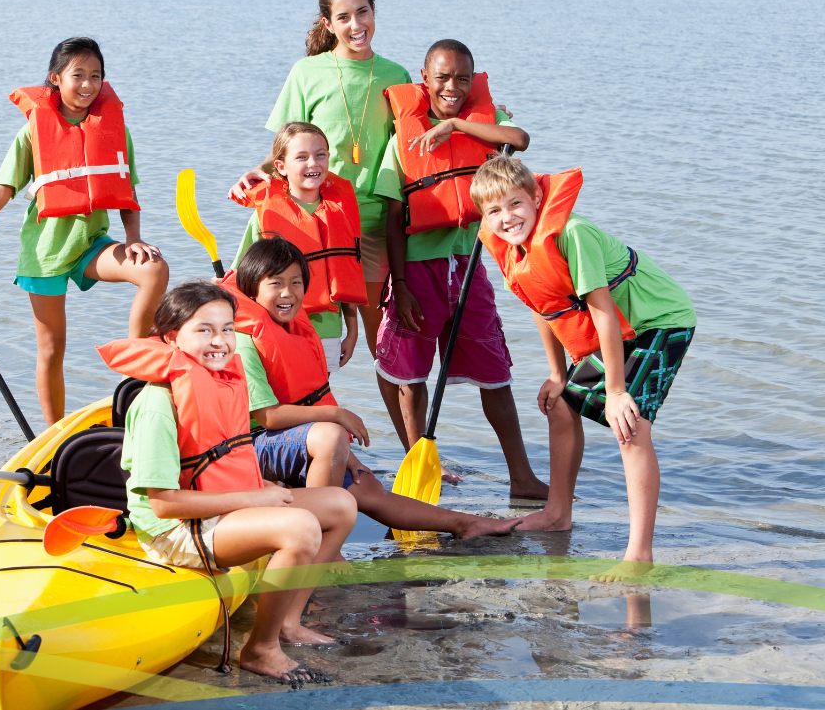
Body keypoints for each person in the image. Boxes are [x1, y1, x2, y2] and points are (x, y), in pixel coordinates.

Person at [98, 282, 356, 681]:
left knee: (341, 505)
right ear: (171, 337)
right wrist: (255, 499)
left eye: (228, 329)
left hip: (220, 508)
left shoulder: (222, 383)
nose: (219, 341)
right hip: (175, 531)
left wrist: (261, 492)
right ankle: (260, 649)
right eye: (204, 330)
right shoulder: (157, 404)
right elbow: (164, 504)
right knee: (300, 527)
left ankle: (287, 622)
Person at [470, 157, 697, 579]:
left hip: (658, 320)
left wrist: (615, 392)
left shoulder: (572, 234)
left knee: (629, 424)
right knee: (562, 405)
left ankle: (639, 555)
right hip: (620, 330)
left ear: (537, 197)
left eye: (515, 204)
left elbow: (604, 313)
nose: (507, 218)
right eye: (494, 211)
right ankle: (557, 514)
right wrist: (558, 375)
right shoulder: (510, 246)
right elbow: (543, 307)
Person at [0, 37, 168, 427]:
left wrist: (133, 239)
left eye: (95, 76)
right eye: (78, 75)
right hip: (45, 254)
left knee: (154, 270)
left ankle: (136, 371)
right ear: (55, 79)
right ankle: (55, 435)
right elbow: (0, 192)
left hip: (92, 245)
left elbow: (127, 191)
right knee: (52, 348)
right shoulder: (31, 134)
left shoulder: (115, 130)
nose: (87, 85)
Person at [222, 238, 523, 539]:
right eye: (275, 284)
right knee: (333, 435)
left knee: (368, 488)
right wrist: (338, 415)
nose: (288, 293)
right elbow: (269, 418)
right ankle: (314, 540)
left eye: (296, 282)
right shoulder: (244, 344)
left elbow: (305, 403)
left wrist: (351, 459)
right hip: (251, 446)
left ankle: (464, 523)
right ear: (252, 289)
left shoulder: (292, 328)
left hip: (293, 441)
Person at [374, 39, 548, 498]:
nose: (452, 86)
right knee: (411, 377)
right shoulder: (404, 138)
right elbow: (393, 217)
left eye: (462, 79)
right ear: (424, 79)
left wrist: (455, 124)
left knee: (495, 370)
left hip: (468, 265)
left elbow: (520, 140)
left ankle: (522, 477)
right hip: (418, 269)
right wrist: (402, 285)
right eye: (442, 77)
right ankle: (421, 473)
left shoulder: (482, 127)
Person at [229, 0, 411, 357]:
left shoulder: (398, 76)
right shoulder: (306, 72)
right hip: (316, 221)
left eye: (363, 13)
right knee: (302, 333)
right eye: (343, 17)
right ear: (328, 24)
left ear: (375, 11)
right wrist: (259, 170)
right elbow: (282, 148)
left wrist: (492, 118)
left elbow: (418, 143)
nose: (356, 25)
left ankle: (397, 418)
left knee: (385, 347)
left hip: (375, 224)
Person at [231, 122, 365, 372]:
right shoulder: (266, 214)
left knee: (316, 400)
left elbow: (347, 272)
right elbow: (239, 275)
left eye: (320, 154)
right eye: (301, 157)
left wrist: (353, 331)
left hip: (327, 330)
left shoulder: (342, 210)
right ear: (280, 166)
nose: (313, 164)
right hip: (277, 328)